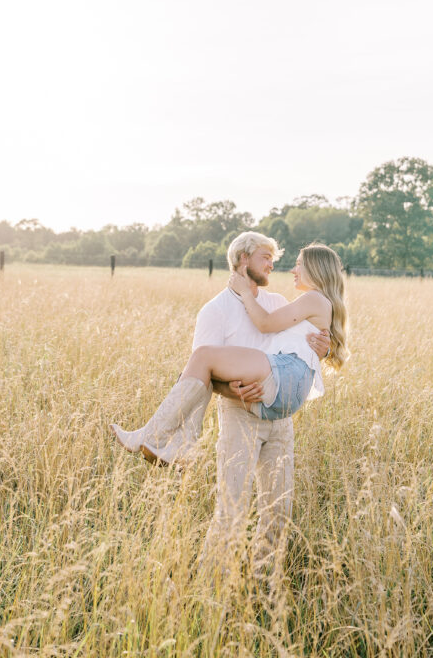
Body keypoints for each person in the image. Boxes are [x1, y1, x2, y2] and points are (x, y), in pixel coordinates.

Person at [110, 233, 346, 566]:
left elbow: (300, 350)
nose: (273, 264)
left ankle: (264, 585)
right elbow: (200, 375)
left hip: (279, 418)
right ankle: (211, 587)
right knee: (232, 508)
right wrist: (234, 389)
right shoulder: (214, 311)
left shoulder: (279, 302)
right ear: (242, 259)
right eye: (266, 257)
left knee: (279, 510)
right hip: (240, 417)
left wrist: (323, 348)